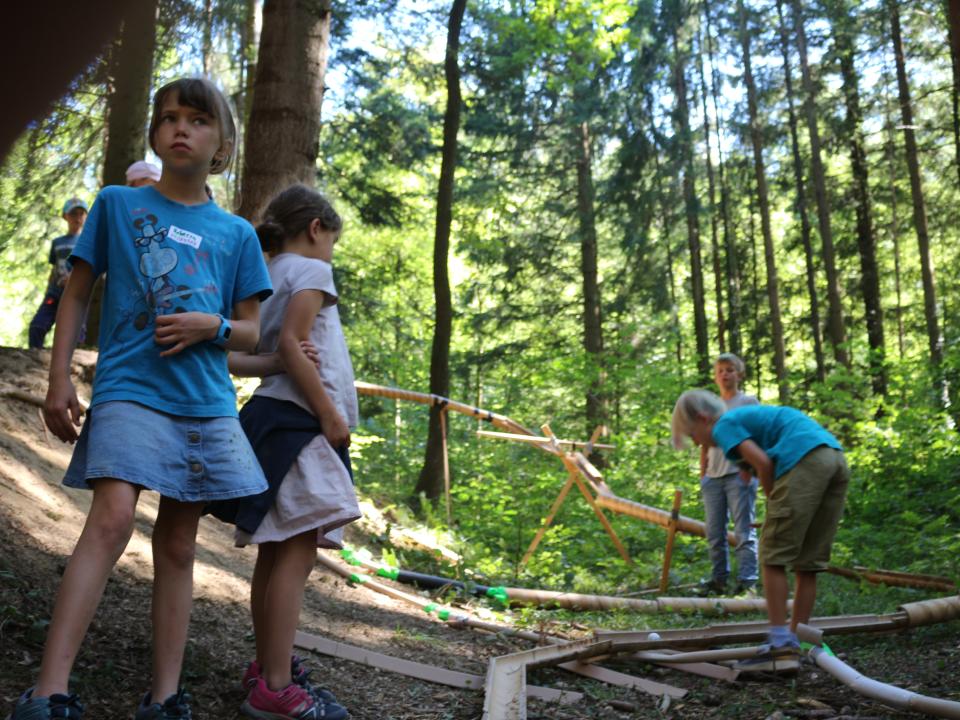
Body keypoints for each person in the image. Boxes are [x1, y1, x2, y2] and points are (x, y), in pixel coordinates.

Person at [8, 77, 273, 720]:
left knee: (179, 544)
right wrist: (59, 378)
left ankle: (164, 698)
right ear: (155, 134)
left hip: (205, 404)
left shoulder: (235, 233)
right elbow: (76, 293)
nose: (180, 128)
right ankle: (47, 693)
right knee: (111, 518)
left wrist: (211, 327)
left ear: (222, 144)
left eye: (197, 120)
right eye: (169, 118)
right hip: (129, 389)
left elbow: (253, 330)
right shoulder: (118, 206)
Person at [210, 184, 359, 720]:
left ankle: (268, 666)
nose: (331, 254)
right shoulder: (312, 271)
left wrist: (281, 362)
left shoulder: (266, 276)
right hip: (301, 424)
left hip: (271, 416)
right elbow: (297, 345)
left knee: (275, 554)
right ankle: (275, 687)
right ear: (317, 228)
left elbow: (238, 356)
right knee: (295, 557)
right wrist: (329, 413)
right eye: (333, 242)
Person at [671, 390, 849, 673]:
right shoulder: (746, 423)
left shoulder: (724, 424)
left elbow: (763, 463)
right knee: (808, 563)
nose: (696, 443)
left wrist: (771, 500)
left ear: (704, 419)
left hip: (804, 460)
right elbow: (762, 462)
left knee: (771, 555)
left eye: (693, 435)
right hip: (834, 458)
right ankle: (798, 640)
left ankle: (780, 642)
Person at [696, 353, 759, 597]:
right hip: (713, 477)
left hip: (739, 475)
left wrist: (750, 469)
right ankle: (719, 580)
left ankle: (747, 582)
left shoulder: (748, 403)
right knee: (714, 532)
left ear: (739, 374)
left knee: (744, 530)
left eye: (730, 370)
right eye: (721, 370)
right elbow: (704, 441)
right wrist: (703, 473)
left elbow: (757, 437)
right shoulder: (710, 406)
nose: (725, 374)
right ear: (715, 376)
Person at [28, 198, 88, 349]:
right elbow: (54, 268)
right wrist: (48, 290)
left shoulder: (87, 242)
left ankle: (73, 365)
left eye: (81, 214)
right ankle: (35, 357)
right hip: (54, 294)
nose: (78, 218)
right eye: (74, 214)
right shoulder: (57, 242)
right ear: (65, 216)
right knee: (37, 326)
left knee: (76, 333)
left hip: (77, 295)